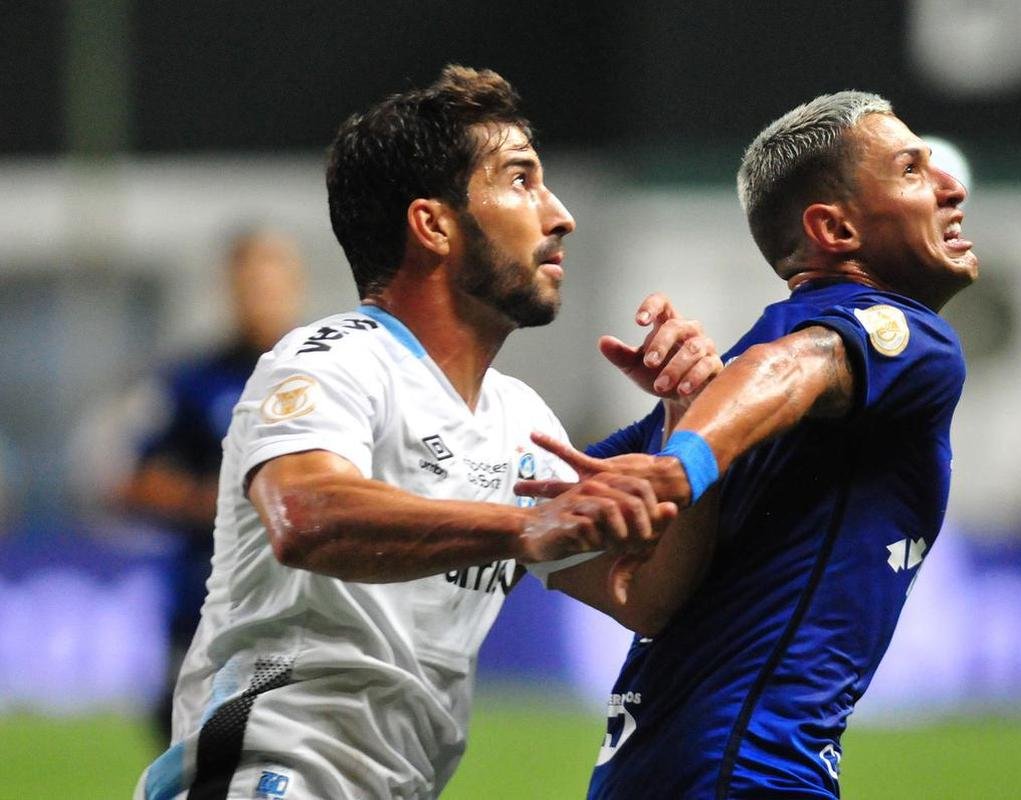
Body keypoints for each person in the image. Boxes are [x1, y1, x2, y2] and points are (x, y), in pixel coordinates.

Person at [134, 66, 720, 800]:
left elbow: (646, 596)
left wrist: (689, 420)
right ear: (434, 225)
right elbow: (305, 516)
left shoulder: (521, 420)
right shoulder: (334, 359)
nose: (559, 213)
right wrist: (525, 524)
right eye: (520, 180)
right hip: (270, 779)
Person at [519, 91, 979, 798]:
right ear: (834, 228)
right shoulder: (908, 339)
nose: (952, 187)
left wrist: (679, 423)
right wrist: (683, 467)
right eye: (913, 170)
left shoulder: (710, 395)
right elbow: (792, 370)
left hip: (649, 771)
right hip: (749, 770)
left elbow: (543, 500)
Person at [118, 228, 306, 744]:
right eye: (247, 286)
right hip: (205, 601)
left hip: (294, 607)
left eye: (269, 285)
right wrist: (220, 502)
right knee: (190, 744)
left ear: (295, 287)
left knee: (269, 749)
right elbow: (135, 481)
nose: (258, 299)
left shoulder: (324, 373)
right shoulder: (191, 379)